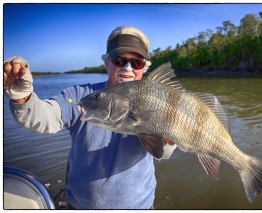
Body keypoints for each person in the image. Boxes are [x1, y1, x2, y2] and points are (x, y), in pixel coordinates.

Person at [4, 25, 176, 209]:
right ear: (107, 62)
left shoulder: (158, 100)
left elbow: (163, 153)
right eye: (119, 60)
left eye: (137, 63)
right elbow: (44, 117)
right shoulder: (83, 97)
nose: (128, 68)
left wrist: (169, 140)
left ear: (144, 67)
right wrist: (22, 97)